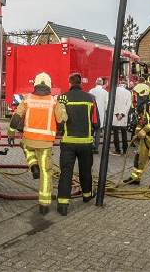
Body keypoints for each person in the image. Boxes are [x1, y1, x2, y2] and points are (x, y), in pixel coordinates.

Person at [8, 72, 67, 214]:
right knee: (46, 173)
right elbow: (61, 121)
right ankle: (44, 205)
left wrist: (11, 131)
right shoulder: (54, 102)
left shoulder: (27, 99)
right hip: (45, 143)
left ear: (35, 85)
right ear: (49, 86)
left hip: (28, 140)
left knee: (25, 147)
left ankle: (33, 164)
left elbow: (16, 116)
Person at [55, 73, 100, 216]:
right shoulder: (90, 98)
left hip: (68, 142)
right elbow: (96, 123)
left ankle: (63, 204)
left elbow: (59, 121)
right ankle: (87, 195)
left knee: (66, 172)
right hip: (86, 142)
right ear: (81, 82)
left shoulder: (62, 98)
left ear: (69, 83)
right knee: (85, 170)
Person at [124, 83, 150, 189]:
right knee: (140, 157)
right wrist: (137, 134)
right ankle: (135, 178)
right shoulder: (141, 107)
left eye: (136, 94)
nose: (135, 97)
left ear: (142, 94)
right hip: (145, 136)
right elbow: (141, 123)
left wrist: (145, 130)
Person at [111, 81, 132, 155]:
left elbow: (112, 103)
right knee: (124, 134)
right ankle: (125, 150)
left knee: (115, 134)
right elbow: (128, 104)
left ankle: (117, 149)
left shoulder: (114, 91)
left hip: (115, 116)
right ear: (125, 86)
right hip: (123, 117)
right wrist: (122, 114)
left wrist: (117, 113)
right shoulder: (128, 93)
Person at [88, 78, 108, 154]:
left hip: (92, 113)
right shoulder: (105, 92)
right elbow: (107, 104)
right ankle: (96, 148)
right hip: (101, 114)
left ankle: (91, 145)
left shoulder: (91, 91)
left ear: (96, 83)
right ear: (102, 84)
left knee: (91, 131)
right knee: (98, 131)